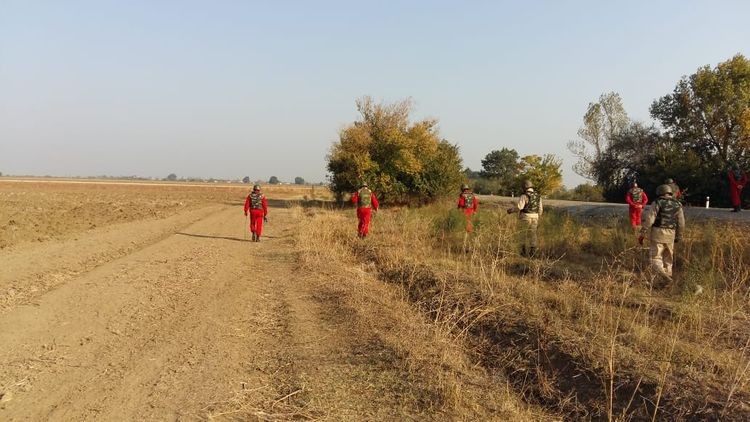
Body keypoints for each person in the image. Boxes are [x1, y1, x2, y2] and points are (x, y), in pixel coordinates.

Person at [639, 184, 685, 282]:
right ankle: (668, 278)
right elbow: (681, 223)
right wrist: (679, 235)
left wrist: (643, 232)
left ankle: (662, 277)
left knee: (655, 257)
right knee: (668, 258)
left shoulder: (657, 202)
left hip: (658, 232)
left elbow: (650, 219)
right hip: (671, 234)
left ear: (660, 193)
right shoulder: (678, 204)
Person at [507, 180, 542, 257]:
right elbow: (540, 210)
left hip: (526, 217)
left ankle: (523, 253)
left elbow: (520, 207)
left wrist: (511, 210)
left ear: (524, 187)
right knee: (533, 235)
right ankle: (533, 254)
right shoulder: (538, 196)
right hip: (535, 217)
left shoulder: (524, 196)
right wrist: (537, 216)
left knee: (523, 234)